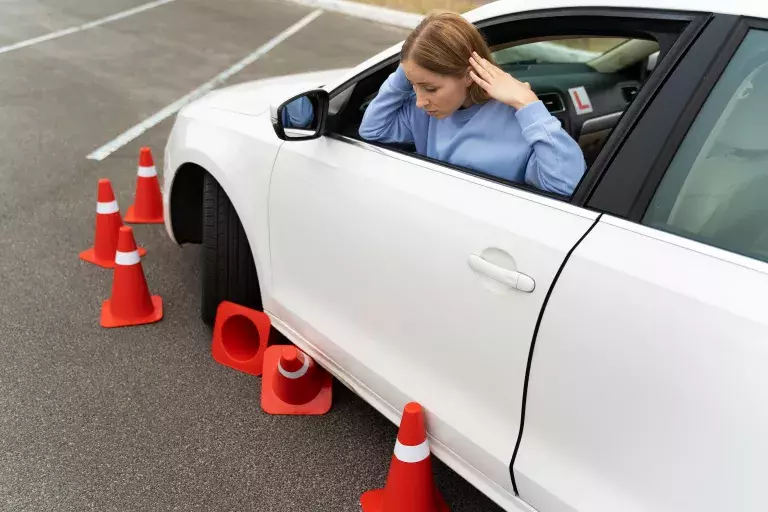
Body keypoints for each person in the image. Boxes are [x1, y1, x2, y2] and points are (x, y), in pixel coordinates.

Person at [358, 11, 586, 196]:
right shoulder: (425, 112)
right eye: (412, 85)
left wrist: (527, 103)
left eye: (430, 88)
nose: (419, 101)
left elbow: (567, 184)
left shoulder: (519, 122)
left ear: (469, 75)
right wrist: (410, 65)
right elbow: (373, 129)